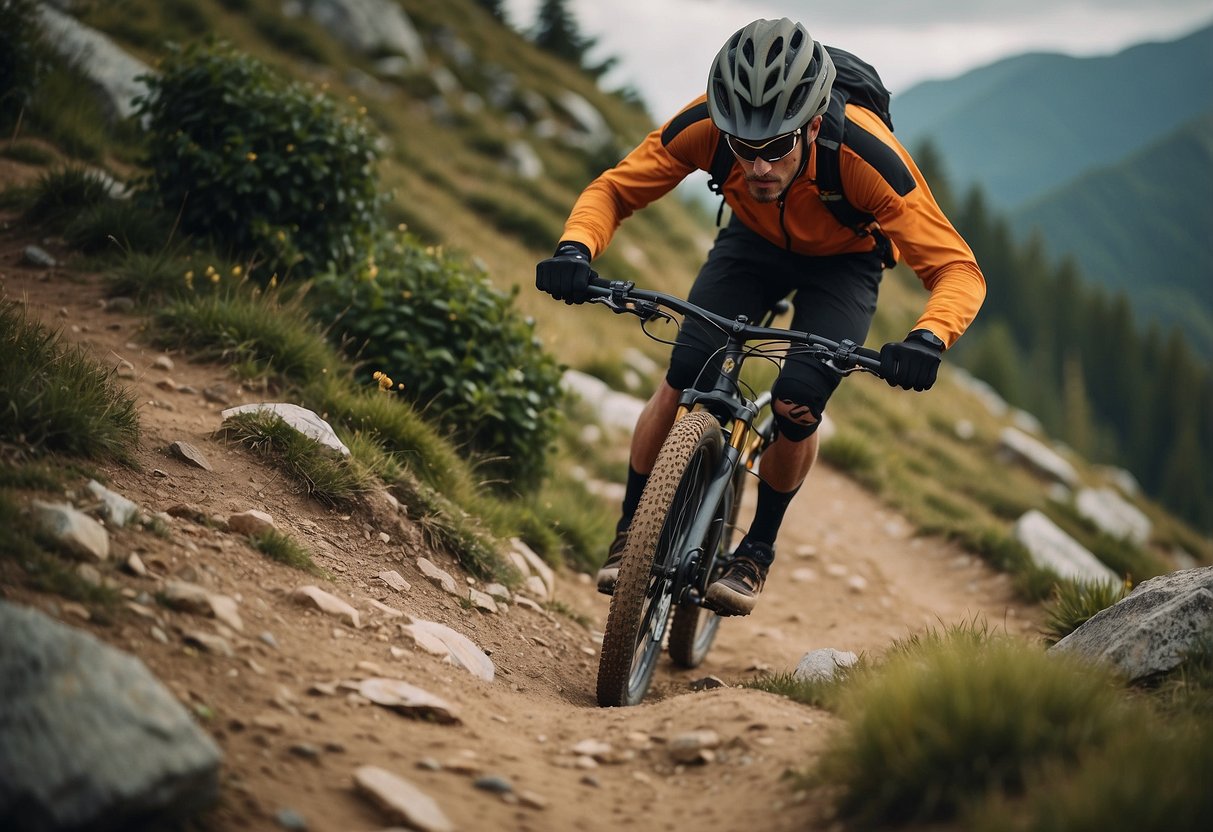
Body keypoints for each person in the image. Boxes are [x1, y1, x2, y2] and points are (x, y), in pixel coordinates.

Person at [535, 18, 986, 615]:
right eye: (745, 150)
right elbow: (615, 190)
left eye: (775, 149)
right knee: (685, 372)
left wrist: (929, 338)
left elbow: (958, 269)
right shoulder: (707, 128)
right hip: (750, 246)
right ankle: (631, 531)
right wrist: (575, 249)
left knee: (798, 400)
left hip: (844, 265)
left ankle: (757, 549)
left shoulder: (867, 156)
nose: (759, 167)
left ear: (813, 126)